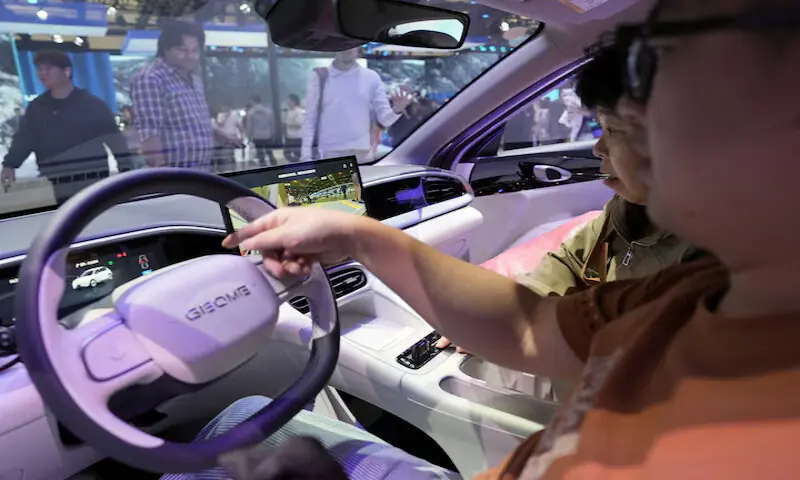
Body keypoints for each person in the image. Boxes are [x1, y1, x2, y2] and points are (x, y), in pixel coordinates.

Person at [170, 0, 800, 478]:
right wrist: (359, 235)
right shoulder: (692, 294)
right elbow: (527, 329)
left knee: (229, 426)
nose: (639, 87)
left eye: (669, 47)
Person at [437, 42, 701, 356]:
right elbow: (570, 263)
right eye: (599, 129)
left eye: (613, 131)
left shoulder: (718, 251)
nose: (598, 148)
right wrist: (510, 311)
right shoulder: (626, 210)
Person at [1, 50, 131, 203]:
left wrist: (126, 172)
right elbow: (25, 138)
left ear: (67, 71)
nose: (42, 73)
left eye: (48, 68)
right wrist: (10, 165)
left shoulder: (91, 104)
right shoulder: (38, 107)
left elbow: (115, 141)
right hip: (57, 178)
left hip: (92, 176)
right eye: (39, 69)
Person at [130, 21, 241, 171]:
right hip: (176, 178)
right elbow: (150, 134)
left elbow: (192, 123)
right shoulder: (151, 78)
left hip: (201, 173)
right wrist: (164, 177)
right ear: (166, 49)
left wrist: (222, 136)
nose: (190, 56)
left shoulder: (194, 79)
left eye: (195, 50)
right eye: (182, 50)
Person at [300, 47, 412, 164]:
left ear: (359, 48)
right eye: (343, 44)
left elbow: (385, 120)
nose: (347, 47)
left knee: (365, 182)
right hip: (330, 153)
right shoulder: (321, 76)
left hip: (362, 154)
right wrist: (305, 156)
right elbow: (310, 119)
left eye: (352, 44)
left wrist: (397, 109)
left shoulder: (371, 77)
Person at [245, 96, 277, 167]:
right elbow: (272, 124)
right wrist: (273, 134)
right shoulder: (268, 111)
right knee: (270, 152)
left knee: (260, 154)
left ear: (253, 101)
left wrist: (249, 137)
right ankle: (275, 167)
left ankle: (264, 168)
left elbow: (249, 126)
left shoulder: (251, 113)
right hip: (267, 135)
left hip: (257, 136)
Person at [283, 94, 304, 163]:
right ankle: (296, 163)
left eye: (289, 100)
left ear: (293, 101)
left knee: (297, 154)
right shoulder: (289, 111)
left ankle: (299, 164)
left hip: (297, 137)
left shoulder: (298, 111)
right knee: (286, 153)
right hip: (289, 136)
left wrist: (288, 124)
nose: (287, 102)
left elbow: (299, 124)